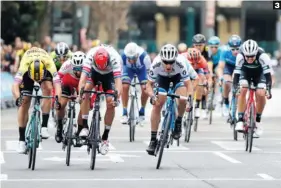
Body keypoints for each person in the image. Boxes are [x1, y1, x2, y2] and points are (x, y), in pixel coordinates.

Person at [145, 44, 197, 155]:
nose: (168, 66)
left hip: (178, 78)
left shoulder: (180, 63)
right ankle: (153, 140)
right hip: (162, 79)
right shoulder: (156, 63)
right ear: (161, 59)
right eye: (165, 62)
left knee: (182, 99)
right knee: (157, 105)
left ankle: (178, 121)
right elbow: (148, 85)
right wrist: (152, 96)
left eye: (171, 62)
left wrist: (189, 100)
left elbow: (189, 85)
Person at [12, 47, 62, 153]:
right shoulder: (24, 65)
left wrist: (57, 99)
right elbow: (15, 85)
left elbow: (57, 85)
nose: (37, 80)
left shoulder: (49, 64)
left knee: (48, 88)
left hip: (43, 67)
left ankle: (44, 126)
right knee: (24, 101)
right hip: (28, 72)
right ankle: (21, 140)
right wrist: (17, 98)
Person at [78, 44, 122, 155]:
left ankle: (105, 137)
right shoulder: (90, 55)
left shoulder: (115, 58)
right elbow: (83, 78)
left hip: (109, 75)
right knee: (86, 91)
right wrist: (80, 94)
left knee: (110, 102)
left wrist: (117, 97)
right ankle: (84, 126)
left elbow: (118, 81)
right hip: (95, 73)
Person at [233, 40, 272, 138]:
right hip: (245, 73)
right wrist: (235, 88)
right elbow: (236, 75)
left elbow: (268, 76)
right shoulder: (240, 56)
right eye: (247, 56)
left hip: (259, 74)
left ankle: (258, 121)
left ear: (256, 53)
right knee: (243, 89)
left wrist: (268, 90)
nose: (249, 59)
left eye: (252, 56)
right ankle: (240, 120)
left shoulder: (263, 56)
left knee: (261, 93)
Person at [55, 51, 86, 143]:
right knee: (61, 104)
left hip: (82, 83)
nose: (77, 71)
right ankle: (59, 128)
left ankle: (79, 131)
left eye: (80, 69)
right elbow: (57, 79)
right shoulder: (67, 64)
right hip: (68, 82)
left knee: (84, 105)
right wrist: (56, 97)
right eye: (75, 68)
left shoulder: (89, 66)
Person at [120, 42, 151, 124]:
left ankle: (142, 111)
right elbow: (118, 73)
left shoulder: (145, 57)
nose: (131, 60)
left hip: (142, 70)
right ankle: (124, 112)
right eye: (129, 58)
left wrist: (149, 85)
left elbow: (150, 74)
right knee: (125, 86)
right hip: (128, 69)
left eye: (133, 58)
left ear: (137, 54)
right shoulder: (122, 57)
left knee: (145, 89)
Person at [217, 35, 242, 117]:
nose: (235, 51)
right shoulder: (224, 51)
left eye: (237, 49)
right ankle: (226, 102)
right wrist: (220, 77)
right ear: (229, 47)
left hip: (239, 66)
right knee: (227, 83)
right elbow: (220, 67)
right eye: (233, 49)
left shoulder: (243, 51)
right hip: (228, 66)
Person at [182, 48, 208, 119]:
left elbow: (206, 74)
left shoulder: (203, 61)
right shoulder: (183, 58)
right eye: (192, 63)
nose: (194, 65)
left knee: (200, 81)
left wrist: (205, 81)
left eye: (196, 63)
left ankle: (196, 105)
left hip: (198, 71)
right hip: (186, 70)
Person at [192, 34, 211, 118]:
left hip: (203, 67)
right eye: (196, 45)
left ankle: (202, 107)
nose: (198, 47)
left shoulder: (207, 50)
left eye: (200, 45)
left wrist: (209, 77)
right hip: (192, 68)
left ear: (204, 44)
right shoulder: (191, 51)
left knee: (203, 83)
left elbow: (209, 64)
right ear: (193, 45)